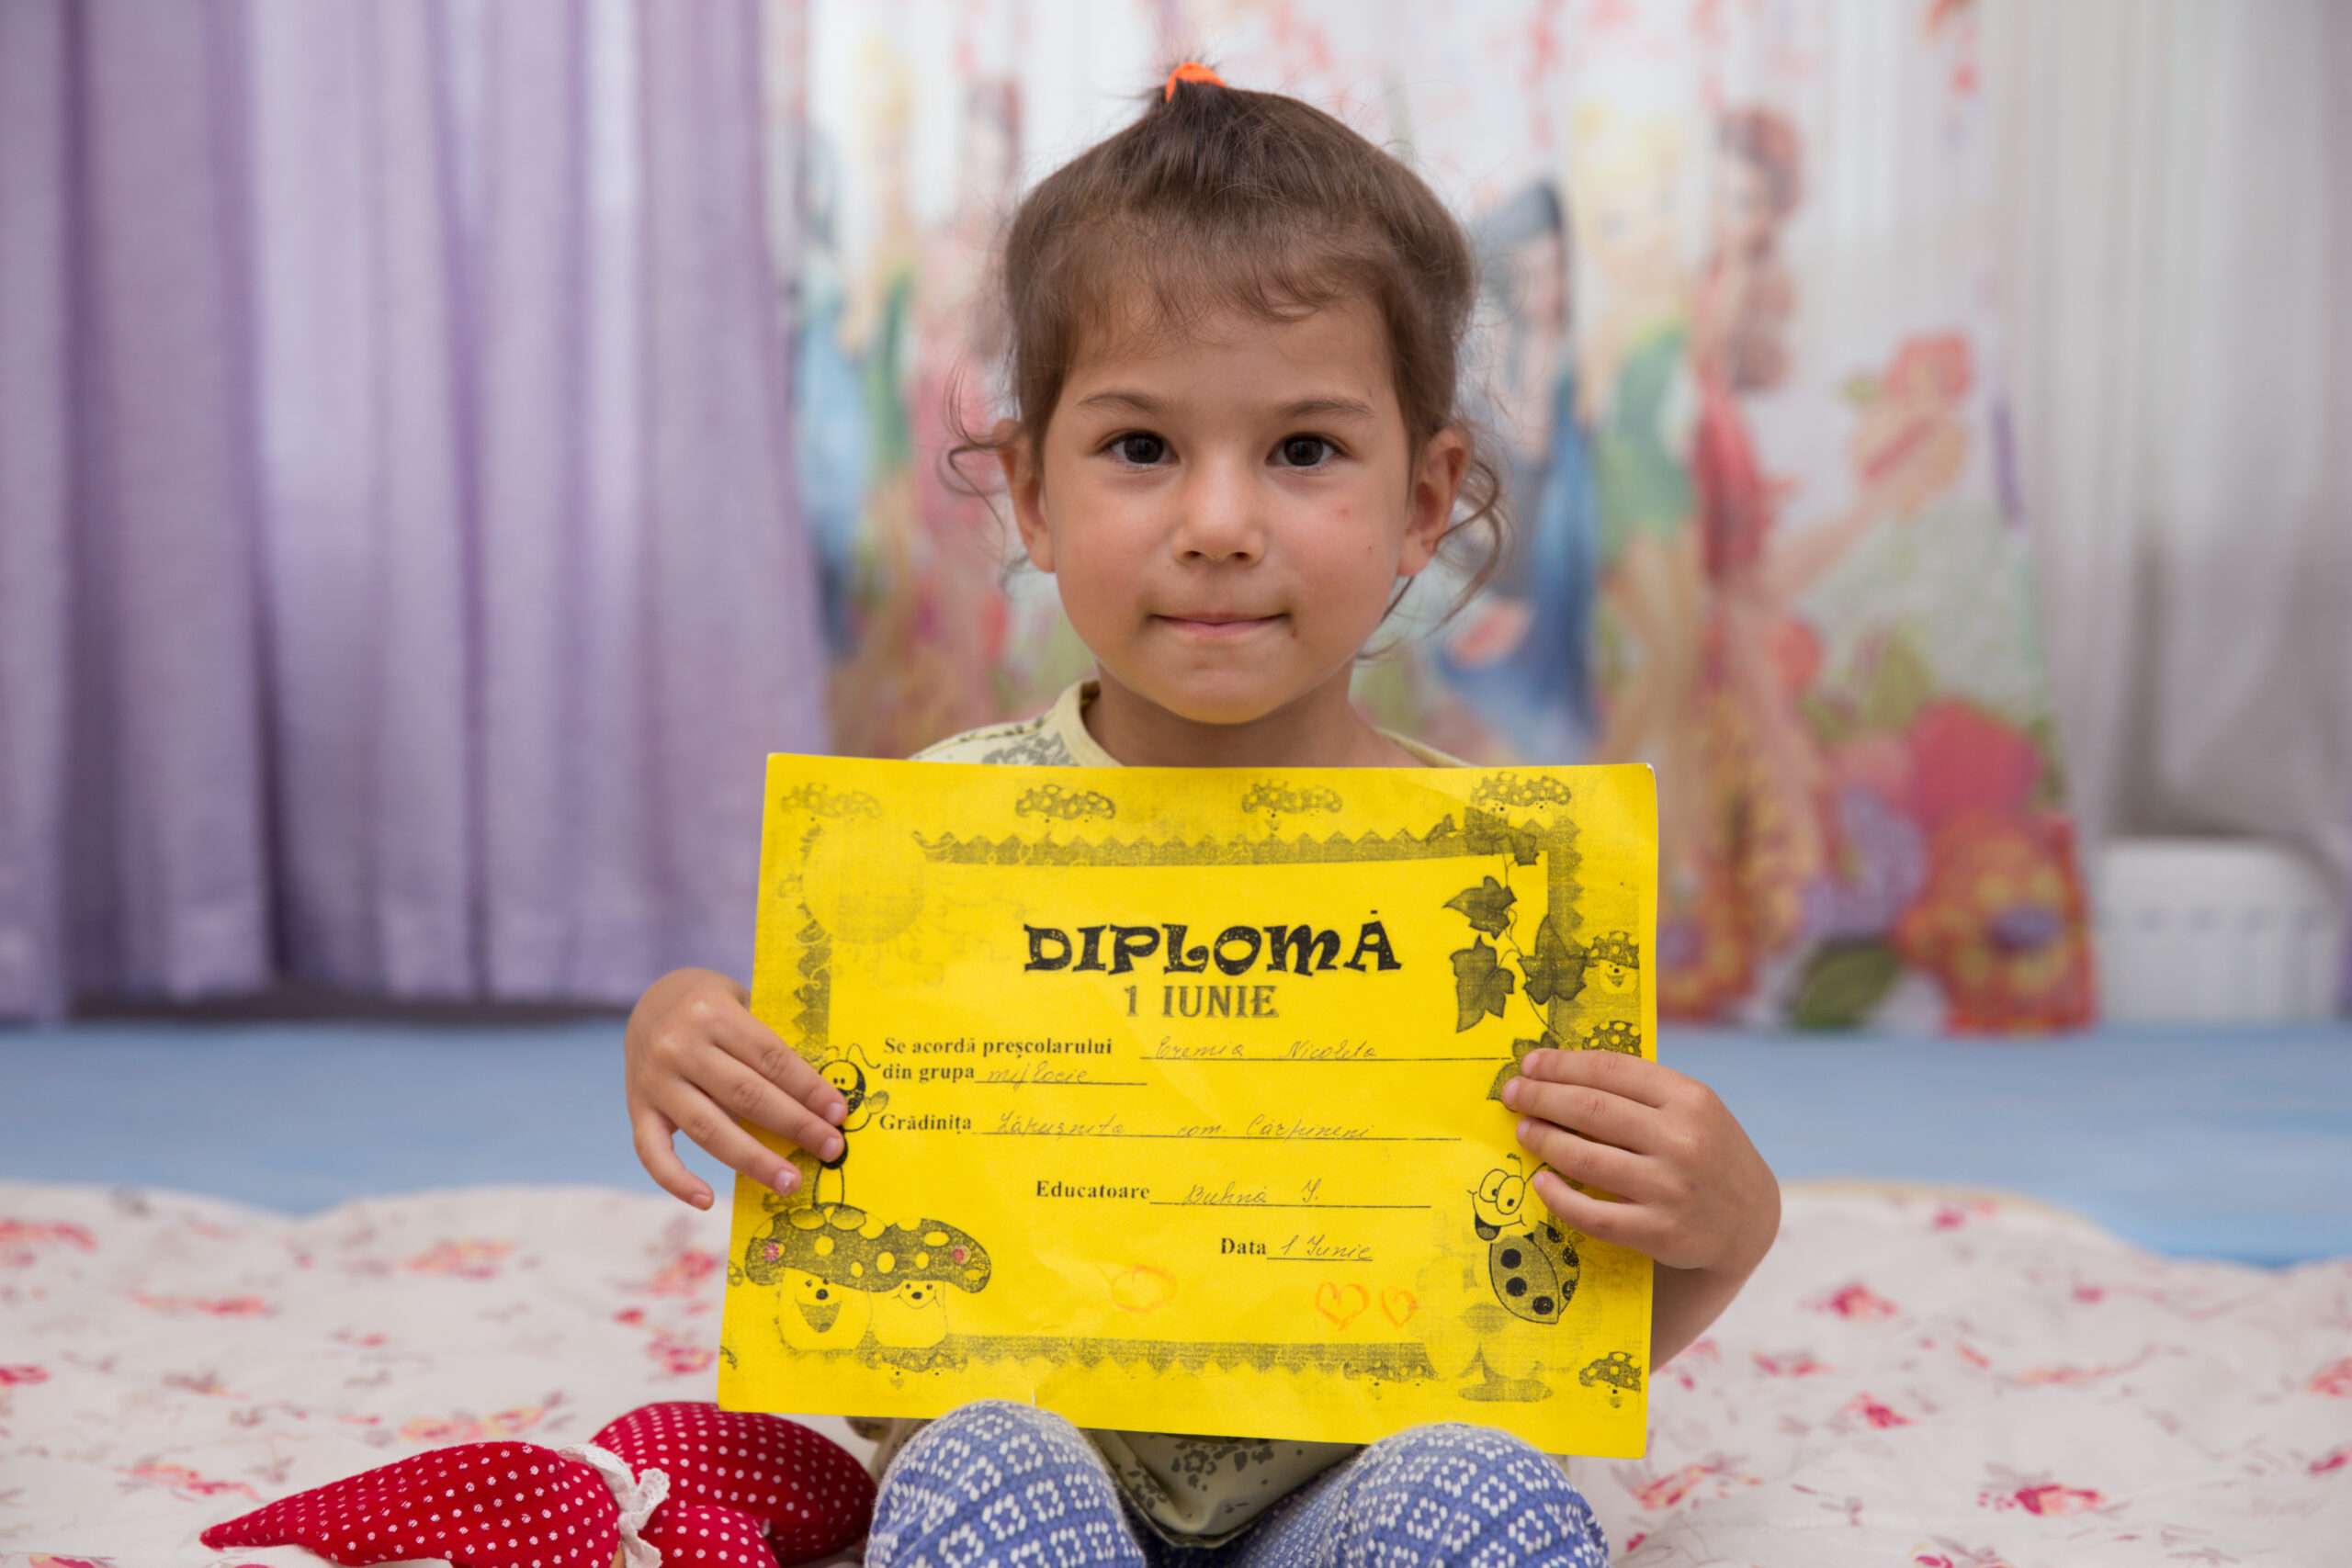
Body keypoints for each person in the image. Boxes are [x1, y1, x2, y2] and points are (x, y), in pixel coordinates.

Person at [621, 63, 1781, 1568]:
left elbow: (1549, 1333)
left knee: (1488, 1488)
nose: (1219, 522)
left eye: (1303, 451)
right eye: (1140, 448)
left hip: (1341, 1504)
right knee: (981, 1459)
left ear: (1424, 500)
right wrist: (686, 1022)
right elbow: (815, 1159)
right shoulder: (943, 835)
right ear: (1031, 493)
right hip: (1031, 1481)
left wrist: (1724, 1221)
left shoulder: (1496, 888)